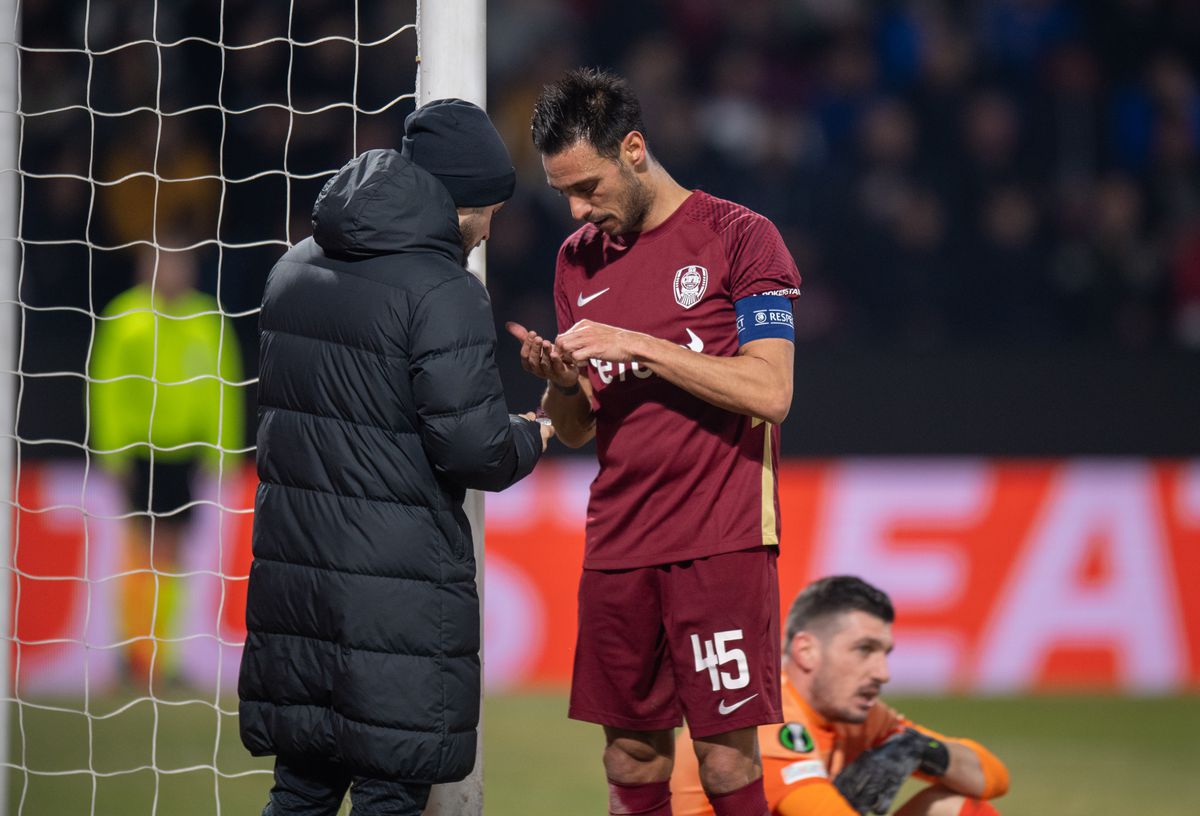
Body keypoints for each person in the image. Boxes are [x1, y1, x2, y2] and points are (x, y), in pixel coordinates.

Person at [238, 98, 554, 816]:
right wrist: (542, 428)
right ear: (461, 199)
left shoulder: (292, 269)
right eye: (489, 208)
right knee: (389, 795)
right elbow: (474, 450)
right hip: (394, 604)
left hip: (297, 593)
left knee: (300, 792)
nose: (491, 226)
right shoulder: (445, 291)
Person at [509, 68, 802, 816]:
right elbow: (576, 429)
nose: (578, 209)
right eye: (563, 193)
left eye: (589, 186)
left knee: (725, 760)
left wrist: (640, 344)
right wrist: (563, 381)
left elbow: (770, 394)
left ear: (634, 148)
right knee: (630, 754)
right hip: (617, 542)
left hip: (720, 538)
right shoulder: (576, 260)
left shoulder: (740, 236)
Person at [671, 576, 1010, 816]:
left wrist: (923, 749)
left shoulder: (861, 717)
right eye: (864, 649)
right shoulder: (764, 717)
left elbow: (993, 778)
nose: (882, 673)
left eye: (885, 653)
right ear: (807, 650)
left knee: (955, 809)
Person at [90, 238, 244, 687]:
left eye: (180, 264)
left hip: (187, 455)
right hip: (140, 453)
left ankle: (163, 655)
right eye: (164, 264)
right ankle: (134, 652)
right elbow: (107, 389)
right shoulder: (125, 318)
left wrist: (223, 452)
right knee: (140, 550)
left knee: (174, 555)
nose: (173, 273)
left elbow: (224, 388)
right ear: (145, 268)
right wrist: (113, 452)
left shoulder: (206, 319)